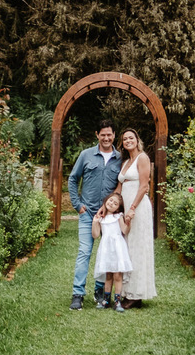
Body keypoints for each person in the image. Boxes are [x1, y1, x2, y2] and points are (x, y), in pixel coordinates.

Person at [66, 119, 122, 310]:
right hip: (88, 213)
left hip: (109, 216)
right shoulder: (86, 155)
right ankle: (78, 294)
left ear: (114, 135)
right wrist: (77, 205)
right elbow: (73, 179)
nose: (106, 138)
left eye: (110, 134)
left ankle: (101, 292)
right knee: (84, 252)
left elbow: (122, 185)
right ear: (97, 135)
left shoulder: (120, 158)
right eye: (103, 134)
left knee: (107, 253)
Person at [117, 127, 157, 308]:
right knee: (127, 248)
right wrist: (108, 206)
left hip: (139, 209)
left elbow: (144, 186)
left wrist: (132, 208)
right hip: (126, 209)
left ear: (137, 139)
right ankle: (126, 291)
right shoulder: (126, 162)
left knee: (138, 248)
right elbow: (120, 188)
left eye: (131, 138)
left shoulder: (143, 158)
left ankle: (137, 293)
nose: (128, 141)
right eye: (125, 139)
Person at [91, 192, 133, 312]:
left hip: (117, 248)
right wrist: (95, 221)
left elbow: (124, 230)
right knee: (108, 275)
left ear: (118, 208)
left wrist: (128, 223)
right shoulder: (101, 218)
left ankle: (118, 301)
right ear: (106, 200)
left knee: (117, 275)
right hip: (106, 249)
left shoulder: (118, 216)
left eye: (115, 203)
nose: (111, 204)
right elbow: (95, 235)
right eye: (110, 200)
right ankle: (106, 300)